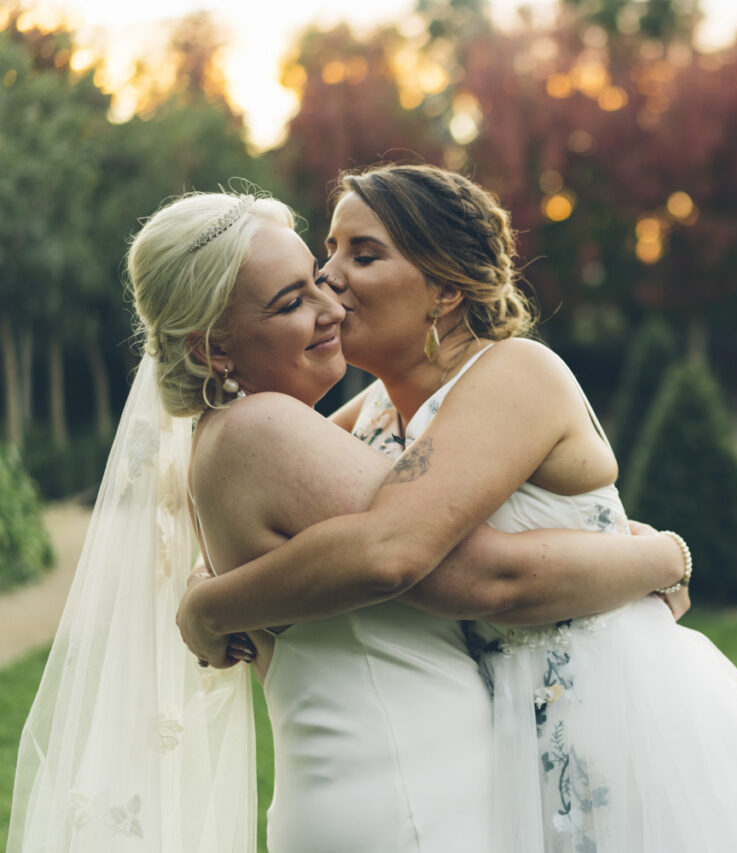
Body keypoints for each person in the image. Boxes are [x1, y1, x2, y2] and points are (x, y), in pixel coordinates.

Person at [179, 164, 737, 851]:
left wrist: (667, 555)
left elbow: (491, 579)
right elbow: (285, 511)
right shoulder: (374, 410)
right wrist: (207, 587)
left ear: (443, 288)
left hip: (613, 710)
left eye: (363, 254)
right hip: (498, 735)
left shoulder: (516, 372)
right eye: (330, 252)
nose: (330, 278)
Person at [8, 191, 687, 853]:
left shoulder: (262, 434)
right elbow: (458, 567)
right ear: (215, 348)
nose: (330, 301)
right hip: (404, 795)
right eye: (293, 298)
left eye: (318, 278)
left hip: (375, 790)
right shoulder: (261, 429)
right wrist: (663, 556)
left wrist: (207, 597)